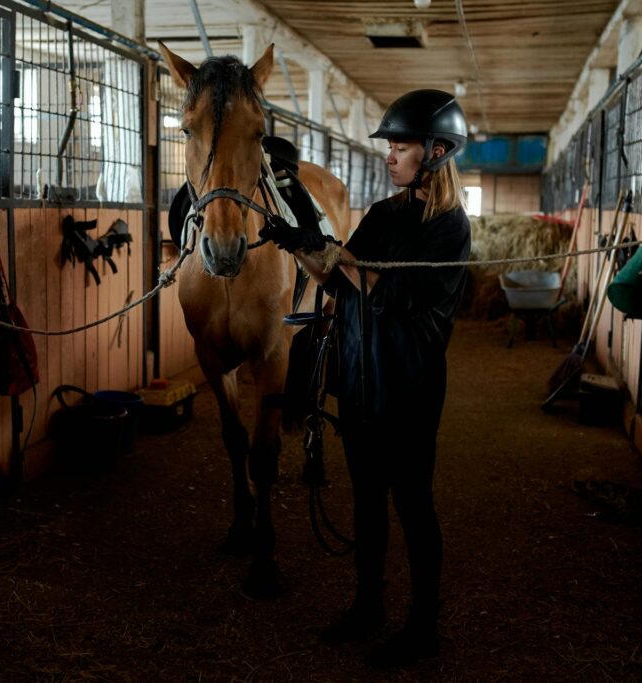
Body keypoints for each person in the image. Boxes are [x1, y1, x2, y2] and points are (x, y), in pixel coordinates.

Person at [260, 89, 471, 667]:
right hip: (358, 378)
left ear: (437, 150)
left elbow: (393, 294)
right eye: (391, 146)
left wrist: (329, 251)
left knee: (413, 505)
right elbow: (336, 279)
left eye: (400, 147)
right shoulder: (382, 214)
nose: (390, 155)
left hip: (408, 386)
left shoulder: (450, 229)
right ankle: (368, 606)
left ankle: (423, 624)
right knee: (367, 503)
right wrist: (299, 241)